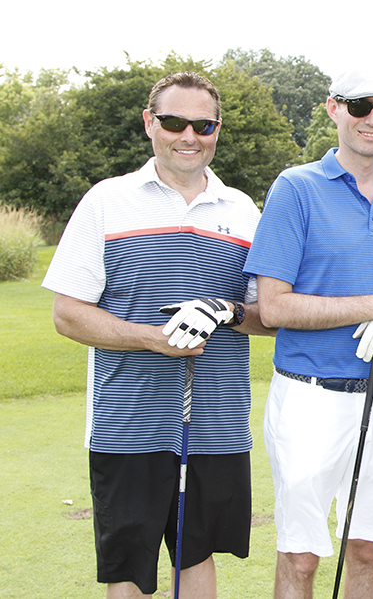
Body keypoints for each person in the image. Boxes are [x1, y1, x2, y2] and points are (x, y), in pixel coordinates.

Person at [42, 71, 274, 598]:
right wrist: (151, 338)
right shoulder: (107, 200)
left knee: (197, 556)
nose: (189, 136)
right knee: (128, 566)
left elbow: (270, 316)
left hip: (216, 420)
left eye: (203, 124)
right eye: (174, 122)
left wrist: (226, 309)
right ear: (151, 123)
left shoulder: (241, 210)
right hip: (127, 423)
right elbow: (67, 313)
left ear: (217, 129)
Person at [243, 69, 373, 599]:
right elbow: (272, 306)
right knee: (302, 555)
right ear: (334, 109)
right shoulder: (295, 189)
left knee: (367, 547)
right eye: (360, 106)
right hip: (309, 398)